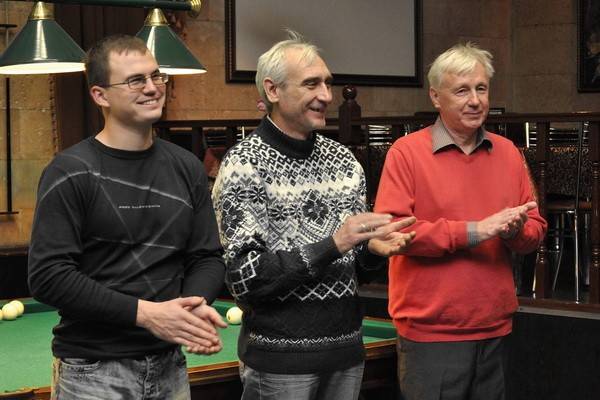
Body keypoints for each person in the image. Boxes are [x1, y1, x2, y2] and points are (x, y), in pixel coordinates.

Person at [212, 31, 416, 400]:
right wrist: (334, 243)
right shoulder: (244, 164)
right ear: (272, 90)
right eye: (311, 84)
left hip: (346, 352)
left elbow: (353, 267)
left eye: (327, 83)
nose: (326, 95)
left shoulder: (344, 161)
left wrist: (372, 251)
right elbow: (244, 277)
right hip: (280, 362)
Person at [28, 34, 227, 400]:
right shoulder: (69, 171)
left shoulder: (186, 166)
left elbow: (207, 257)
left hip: (170, 366)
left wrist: (190, 308)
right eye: (136, 80)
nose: (153, 88)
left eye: (156, 76)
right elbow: (49, 276)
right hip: (93, 373)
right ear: (100, 95)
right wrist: (148, 315)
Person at [372, 42, 547, 400]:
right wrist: (474, 231)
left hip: (494, 327)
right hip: (431, 333)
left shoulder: (508, 153)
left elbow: (535, 231)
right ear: (436, 97)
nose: (475, 100)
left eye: (481, 88)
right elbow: (394, 232)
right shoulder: (406, 153)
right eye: (462, 90)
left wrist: (515, 233)